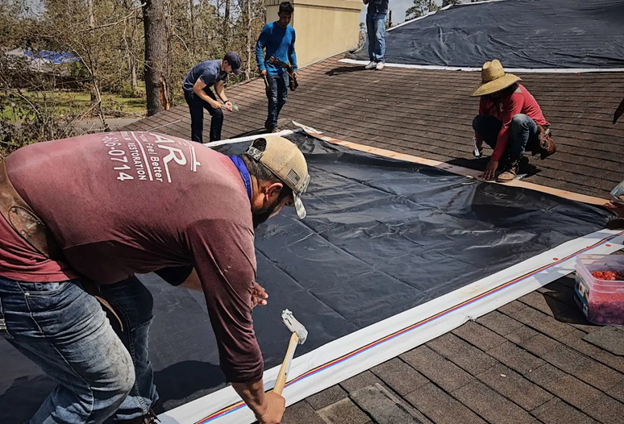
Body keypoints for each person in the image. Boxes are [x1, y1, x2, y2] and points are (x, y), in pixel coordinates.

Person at [0, 132, 310, 424]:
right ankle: (114, 399)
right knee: (105, 384)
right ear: (271, 191)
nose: (277, 214)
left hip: (24, 187)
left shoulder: (206, 161)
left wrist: (226, 282)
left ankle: (132, 413)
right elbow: (237, 342)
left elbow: (155, 243)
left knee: (133, 306)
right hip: (19, 243)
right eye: (282, 206)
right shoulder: (225, 215)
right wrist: (263, 406)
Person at [471, 59, 556, 182]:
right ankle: (505, 156)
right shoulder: (486, 98)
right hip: (510, 134)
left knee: (519, 120)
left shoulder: (515, 94)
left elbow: (507, 126)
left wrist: (494, 159)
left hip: (531, 136)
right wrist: (478, 144)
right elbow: (483, 117)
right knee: (479, 122)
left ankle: (513, 164)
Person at [255, 1, 298, 133]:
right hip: (270, 68)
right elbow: (259, 46)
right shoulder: (269, 28)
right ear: (279, 14)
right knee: (273, 98)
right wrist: (261, 66)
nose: (286, 20)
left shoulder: (291, 31)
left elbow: (291, 50)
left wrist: (295, 68)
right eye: (284, 17)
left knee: (283, 98)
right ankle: (273, 125)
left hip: (284, 70)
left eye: (289, 17)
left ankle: (270, 120)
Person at [183, 51, 242, 143]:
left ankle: (215, 142)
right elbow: (196, 89)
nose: (232, 72)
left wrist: (226, 101)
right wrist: (211, 101)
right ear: (226, 63)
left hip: (202, 86)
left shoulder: (225, 70)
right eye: (232, 69)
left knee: (218, 114)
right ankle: (198, 145)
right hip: (191, 89)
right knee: (198, 120)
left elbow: (218, 86)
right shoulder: (211, 71)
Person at [363, 0, 389, 71]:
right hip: (371, 12)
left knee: (379, 36)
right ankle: (373, 60)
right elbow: (364, 1)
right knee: (371, 37)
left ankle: (380, 60)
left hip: (380, 12)